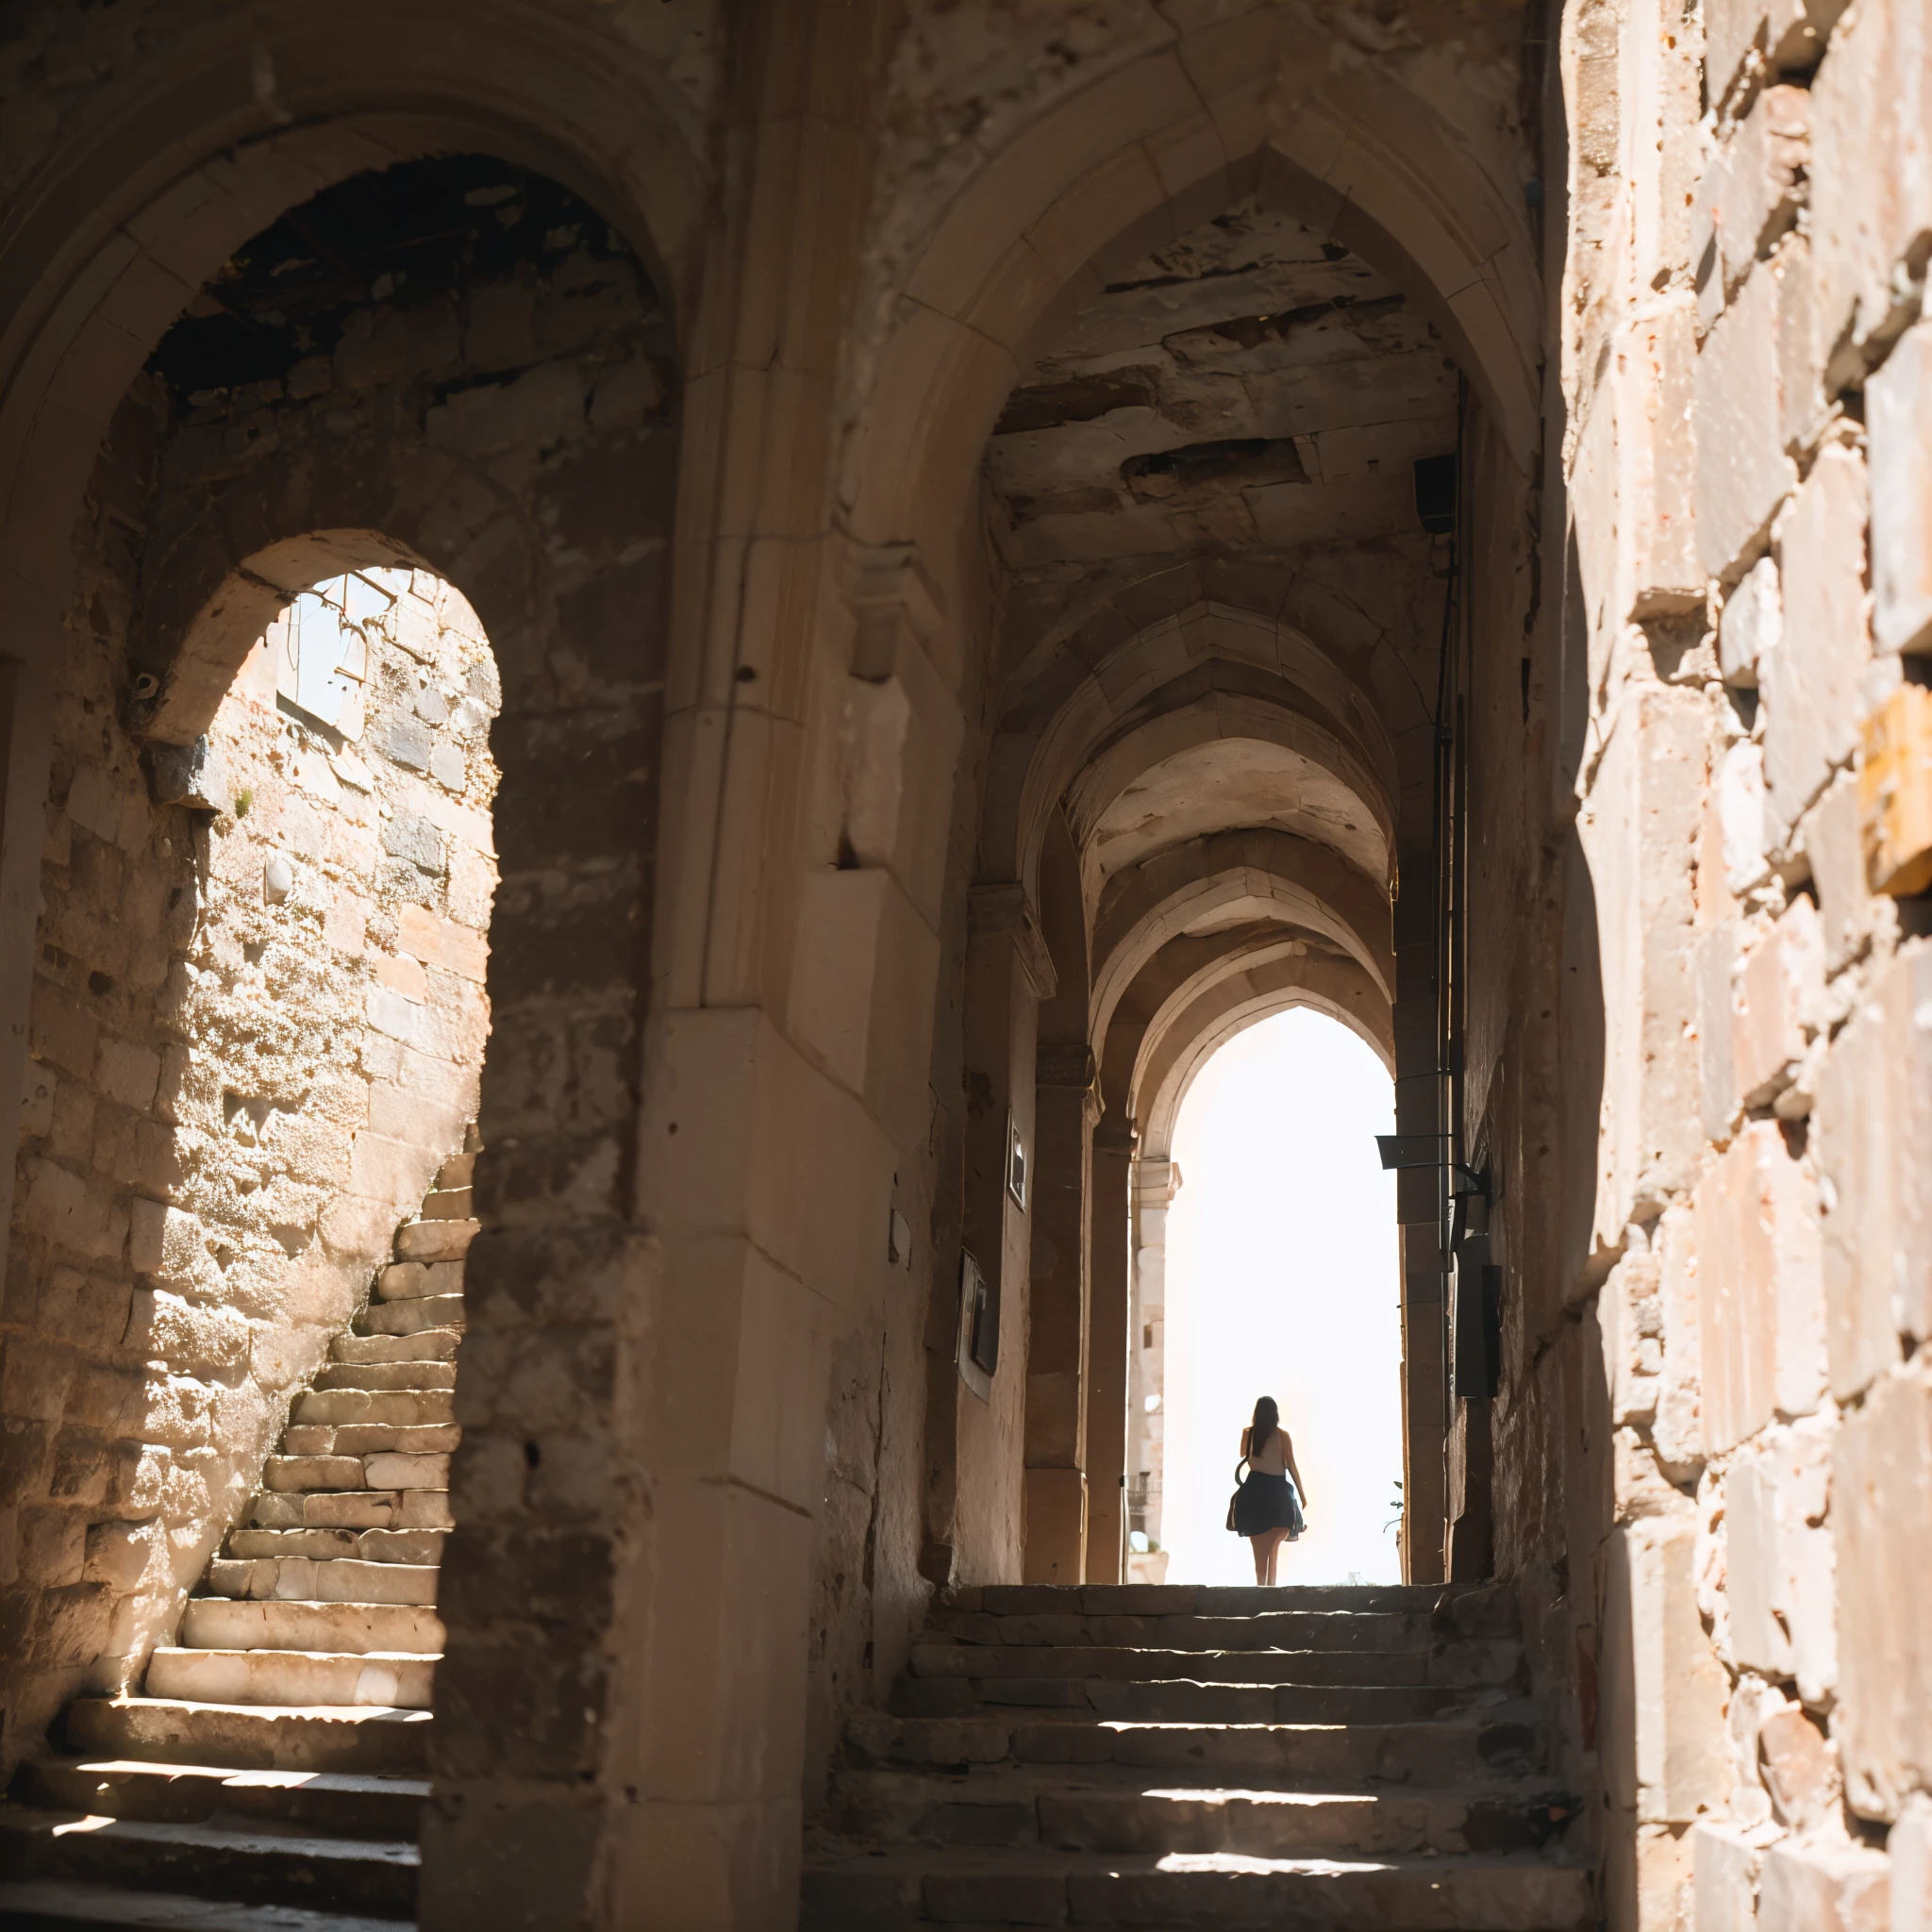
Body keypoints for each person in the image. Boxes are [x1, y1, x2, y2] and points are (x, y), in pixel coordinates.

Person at [1234, 1395, 1307, 1584]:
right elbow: (1291, 1465)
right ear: (1275, 1414)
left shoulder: (1248, 1433)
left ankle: (1261, 1592)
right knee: (1273, 1550)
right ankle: (1271, 1591)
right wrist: (1302, 1495)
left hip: (1254, 1491)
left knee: (1258, 1555)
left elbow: (1243, 1454)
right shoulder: (1282, 1435)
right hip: (1277, 1492)